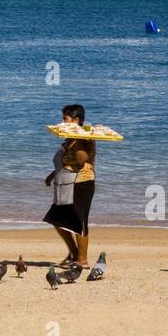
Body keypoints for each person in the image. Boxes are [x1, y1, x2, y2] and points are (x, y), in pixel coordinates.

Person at [43, 104, 97, 268]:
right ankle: (73, 254)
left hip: (81, 184)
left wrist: (74, 149)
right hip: (66, 184)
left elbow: (81, 159)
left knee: (79, 222)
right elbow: (65, 162)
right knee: (57, 220)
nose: (62, 121)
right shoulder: (70, 138)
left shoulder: (83, 139)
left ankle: (82, 260)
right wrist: (53, 175)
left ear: (76, 120)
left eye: (65, 118)